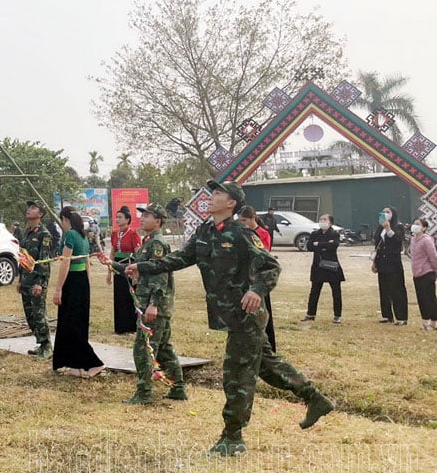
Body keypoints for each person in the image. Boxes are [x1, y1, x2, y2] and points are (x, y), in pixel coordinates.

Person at [126, 180, 334, 457]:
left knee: (235, 376)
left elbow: (271, 265)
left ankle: (232, 436)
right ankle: (315, 398)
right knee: (268, 366)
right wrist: (141, 266)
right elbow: (179, 259)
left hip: (246, 316)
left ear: (231, 203)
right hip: (229, 314)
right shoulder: (205, 231)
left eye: (218, 194)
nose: (211, 198)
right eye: (211, 193)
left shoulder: (241, 233)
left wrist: (257, 290)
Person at [123, 202, 185, 403]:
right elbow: (143, 270)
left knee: (143, 348)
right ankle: (178, 388)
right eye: (142, 215)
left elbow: (160, 275)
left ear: (157, 221)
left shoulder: (157, 244)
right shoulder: (148, 242)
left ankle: (144, 393)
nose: (142, 218)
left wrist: (154, 304)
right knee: (164, 348)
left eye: (147, 216)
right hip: (151, 304)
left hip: (154, 305)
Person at [52, 206, 106, 378]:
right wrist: (87, 284)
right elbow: (86, 262)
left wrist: (58, 288)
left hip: (73, 281)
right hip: (82, 281)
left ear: (65, 220)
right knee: (74, 323)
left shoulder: (70, 235)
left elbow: (66, 263)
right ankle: (74, 364)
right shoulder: (83, 235)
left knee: (72, 324)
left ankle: (95, 363)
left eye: (61, 221)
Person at [237, 206, 278, 351]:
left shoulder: (262, 233)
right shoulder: (241, 233)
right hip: (245, 277)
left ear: (253, 218)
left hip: (259, 277)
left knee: (264, 314)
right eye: (240, 220)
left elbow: (264, 255)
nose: (242, 223)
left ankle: (269, 347)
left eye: (244, 220)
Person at [20, 201, 53, 359]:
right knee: (30, 315)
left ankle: (47, 345)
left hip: (37, 281)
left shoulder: (44, 234)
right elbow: (23, 258)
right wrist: (20, 280)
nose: (29, 210)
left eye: (33, 208)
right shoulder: (27, 232)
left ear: (40, 214)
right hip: (26, 280)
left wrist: (40, 283)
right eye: (29, 207)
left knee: (39, 314)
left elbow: (44, 261)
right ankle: (40, 343)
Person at [301, 213, 345, 324]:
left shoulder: (334, 233)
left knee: (336, 291)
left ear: (330, 222)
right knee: (314, 290)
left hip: (331, 265)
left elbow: (333, 246)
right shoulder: (315, 233)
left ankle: (337, 315)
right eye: (320, 219)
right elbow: (310, 246)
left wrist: (318, 244)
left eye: (325, 219)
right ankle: (310, 314)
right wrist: (324, 245)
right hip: (318, 266)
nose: (322, 221)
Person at [372, 205, 409, 325]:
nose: (385, 213)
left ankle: (401, 317)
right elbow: (377, 245)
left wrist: (388, 229)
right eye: (383, 212)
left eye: (387, 212)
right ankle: (387, 315)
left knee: (397, 290)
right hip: (381, 261)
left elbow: (398, 241)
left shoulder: (398, 226)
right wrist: (375, 262)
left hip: (393, 262)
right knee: (384, 289)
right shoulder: (379, 228)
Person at [109, 206, 141, 334]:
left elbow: (138, 253)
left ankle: (131, 326)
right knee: (119, 295)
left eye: (120, 217)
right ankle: (120, 326)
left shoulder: (133, 234)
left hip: (129, 266)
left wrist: (136, 272)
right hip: (117, 266)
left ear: (127, 219)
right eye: (116, 217)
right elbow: (112, 252)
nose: (117, 219)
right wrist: (109, 269)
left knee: (130, 296)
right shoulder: (114, 234)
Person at [409, 218, 437, 331]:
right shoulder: (412, 240)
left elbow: (433, 257)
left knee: (430, 298)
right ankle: (426, 321)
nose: (414, 226)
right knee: (421, 299)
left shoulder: (427, 240)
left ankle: (434, 322)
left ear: (424, 228)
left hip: (427, 273)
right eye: (414, 224)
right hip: (417, 274)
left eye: (418, 224)